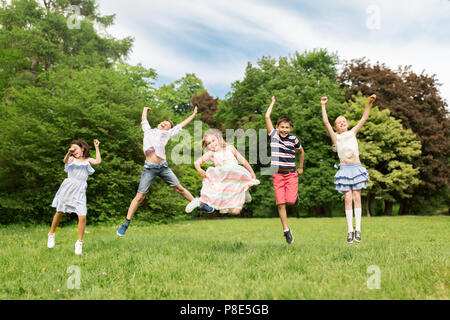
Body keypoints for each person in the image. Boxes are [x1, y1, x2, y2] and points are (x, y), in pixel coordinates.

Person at [117, 106, 212, 236]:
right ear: (159, 124)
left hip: (163, 167)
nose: (165, 124)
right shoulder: (148, 131)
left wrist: (193, 115)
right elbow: (144, 119)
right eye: (164, 122)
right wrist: (144, 109)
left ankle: (200, 205)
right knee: (140, 196)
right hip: (149, 168)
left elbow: (181, 125)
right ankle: (125, 224)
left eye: (167, 125)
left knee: (180, 188)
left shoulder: (167, 134)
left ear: (168, 129)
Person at [321, 94, 376, 243]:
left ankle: (358, 229)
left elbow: (364, 118)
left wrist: (369, 103)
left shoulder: (352, 133)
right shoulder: (336, 138)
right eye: (339, 122)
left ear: (347, 124)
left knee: (357, 197)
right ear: (336, 127)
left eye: (344, 121)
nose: (342, 123)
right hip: (345, 170)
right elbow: (325, 122)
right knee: (348, 198)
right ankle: (349, 230)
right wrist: (323, 106)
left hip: (356, 167)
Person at [185, 130, 259, 215]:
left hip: (235, 176)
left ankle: (244, 192)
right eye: (209, 143)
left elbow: (243, 161)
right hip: (223, 180)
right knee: (231, 208)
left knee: (236, 208)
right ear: (207, 146)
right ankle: (198, 202)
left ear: (219, 139)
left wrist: (252, 172)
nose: (212, 144)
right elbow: (196, 162)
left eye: (213, 140)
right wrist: (199, 170)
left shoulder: (230, 148)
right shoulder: (211, 153)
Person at [48, 139, 102, 255]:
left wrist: (96, 147)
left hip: (80, 190)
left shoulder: (87, 160)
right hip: (68, 188)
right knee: (59, 212)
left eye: (75, 149)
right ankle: (51, 234)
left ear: (82, 148)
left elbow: (98, 161)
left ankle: (79, 243)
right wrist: (69, 152)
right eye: (72, 151)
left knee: (82, 215)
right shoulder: (71, 159)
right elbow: (65, 160)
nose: (74, 152)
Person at [265, 96, 304, 244]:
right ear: (277, 127)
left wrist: (300, 167)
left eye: (287, 127)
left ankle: (294, 198)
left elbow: (302, 152)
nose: (284, 130)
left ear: (290, 129)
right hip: (278, 175)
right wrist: (273, 103)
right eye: (282, 127)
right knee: (280, 203)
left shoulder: (293, 139)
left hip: (291, 174)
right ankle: (286, 230)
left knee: (290, 201)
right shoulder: (274, 136)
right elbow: (267, 116)